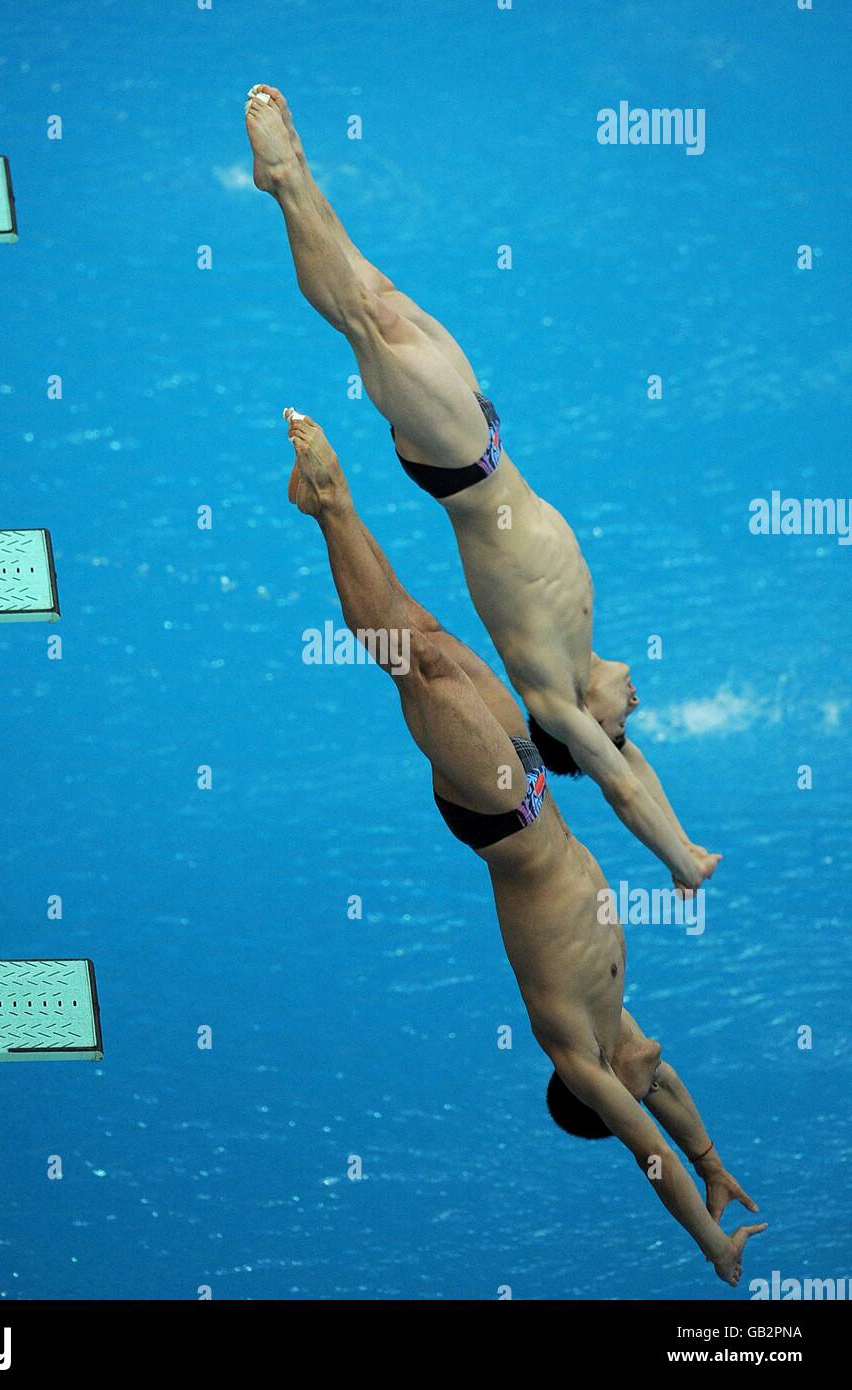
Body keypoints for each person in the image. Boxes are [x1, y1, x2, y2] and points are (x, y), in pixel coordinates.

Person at [283, 406, 764, 1285]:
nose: (660, 1076)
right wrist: (715, 1162)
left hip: (501, 817)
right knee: (424, 633)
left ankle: (329, 504)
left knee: (413, 663)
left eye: (642, 1088)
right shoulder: (619, 1024)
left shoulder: (580, 1051)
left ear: (607, 1091)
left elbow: (647, 1152)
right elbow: (677, 1121)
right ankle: (330, 507)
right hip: (528, 787)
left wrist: (710, 1241)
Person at [245, 84, 720, 894]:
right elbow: (630, 763)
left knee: (364, 317)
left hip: (464, 464)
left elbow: (620, 780)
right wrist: (680, 830)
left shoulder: (554, 696)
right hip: (484, 440)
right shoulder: (578, 658)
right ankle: (296, 175)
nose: (634, 713)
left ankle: (285, 179)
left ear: (588, 732)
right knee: (376, 290)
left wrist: (683, 862)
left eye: (625, 727)